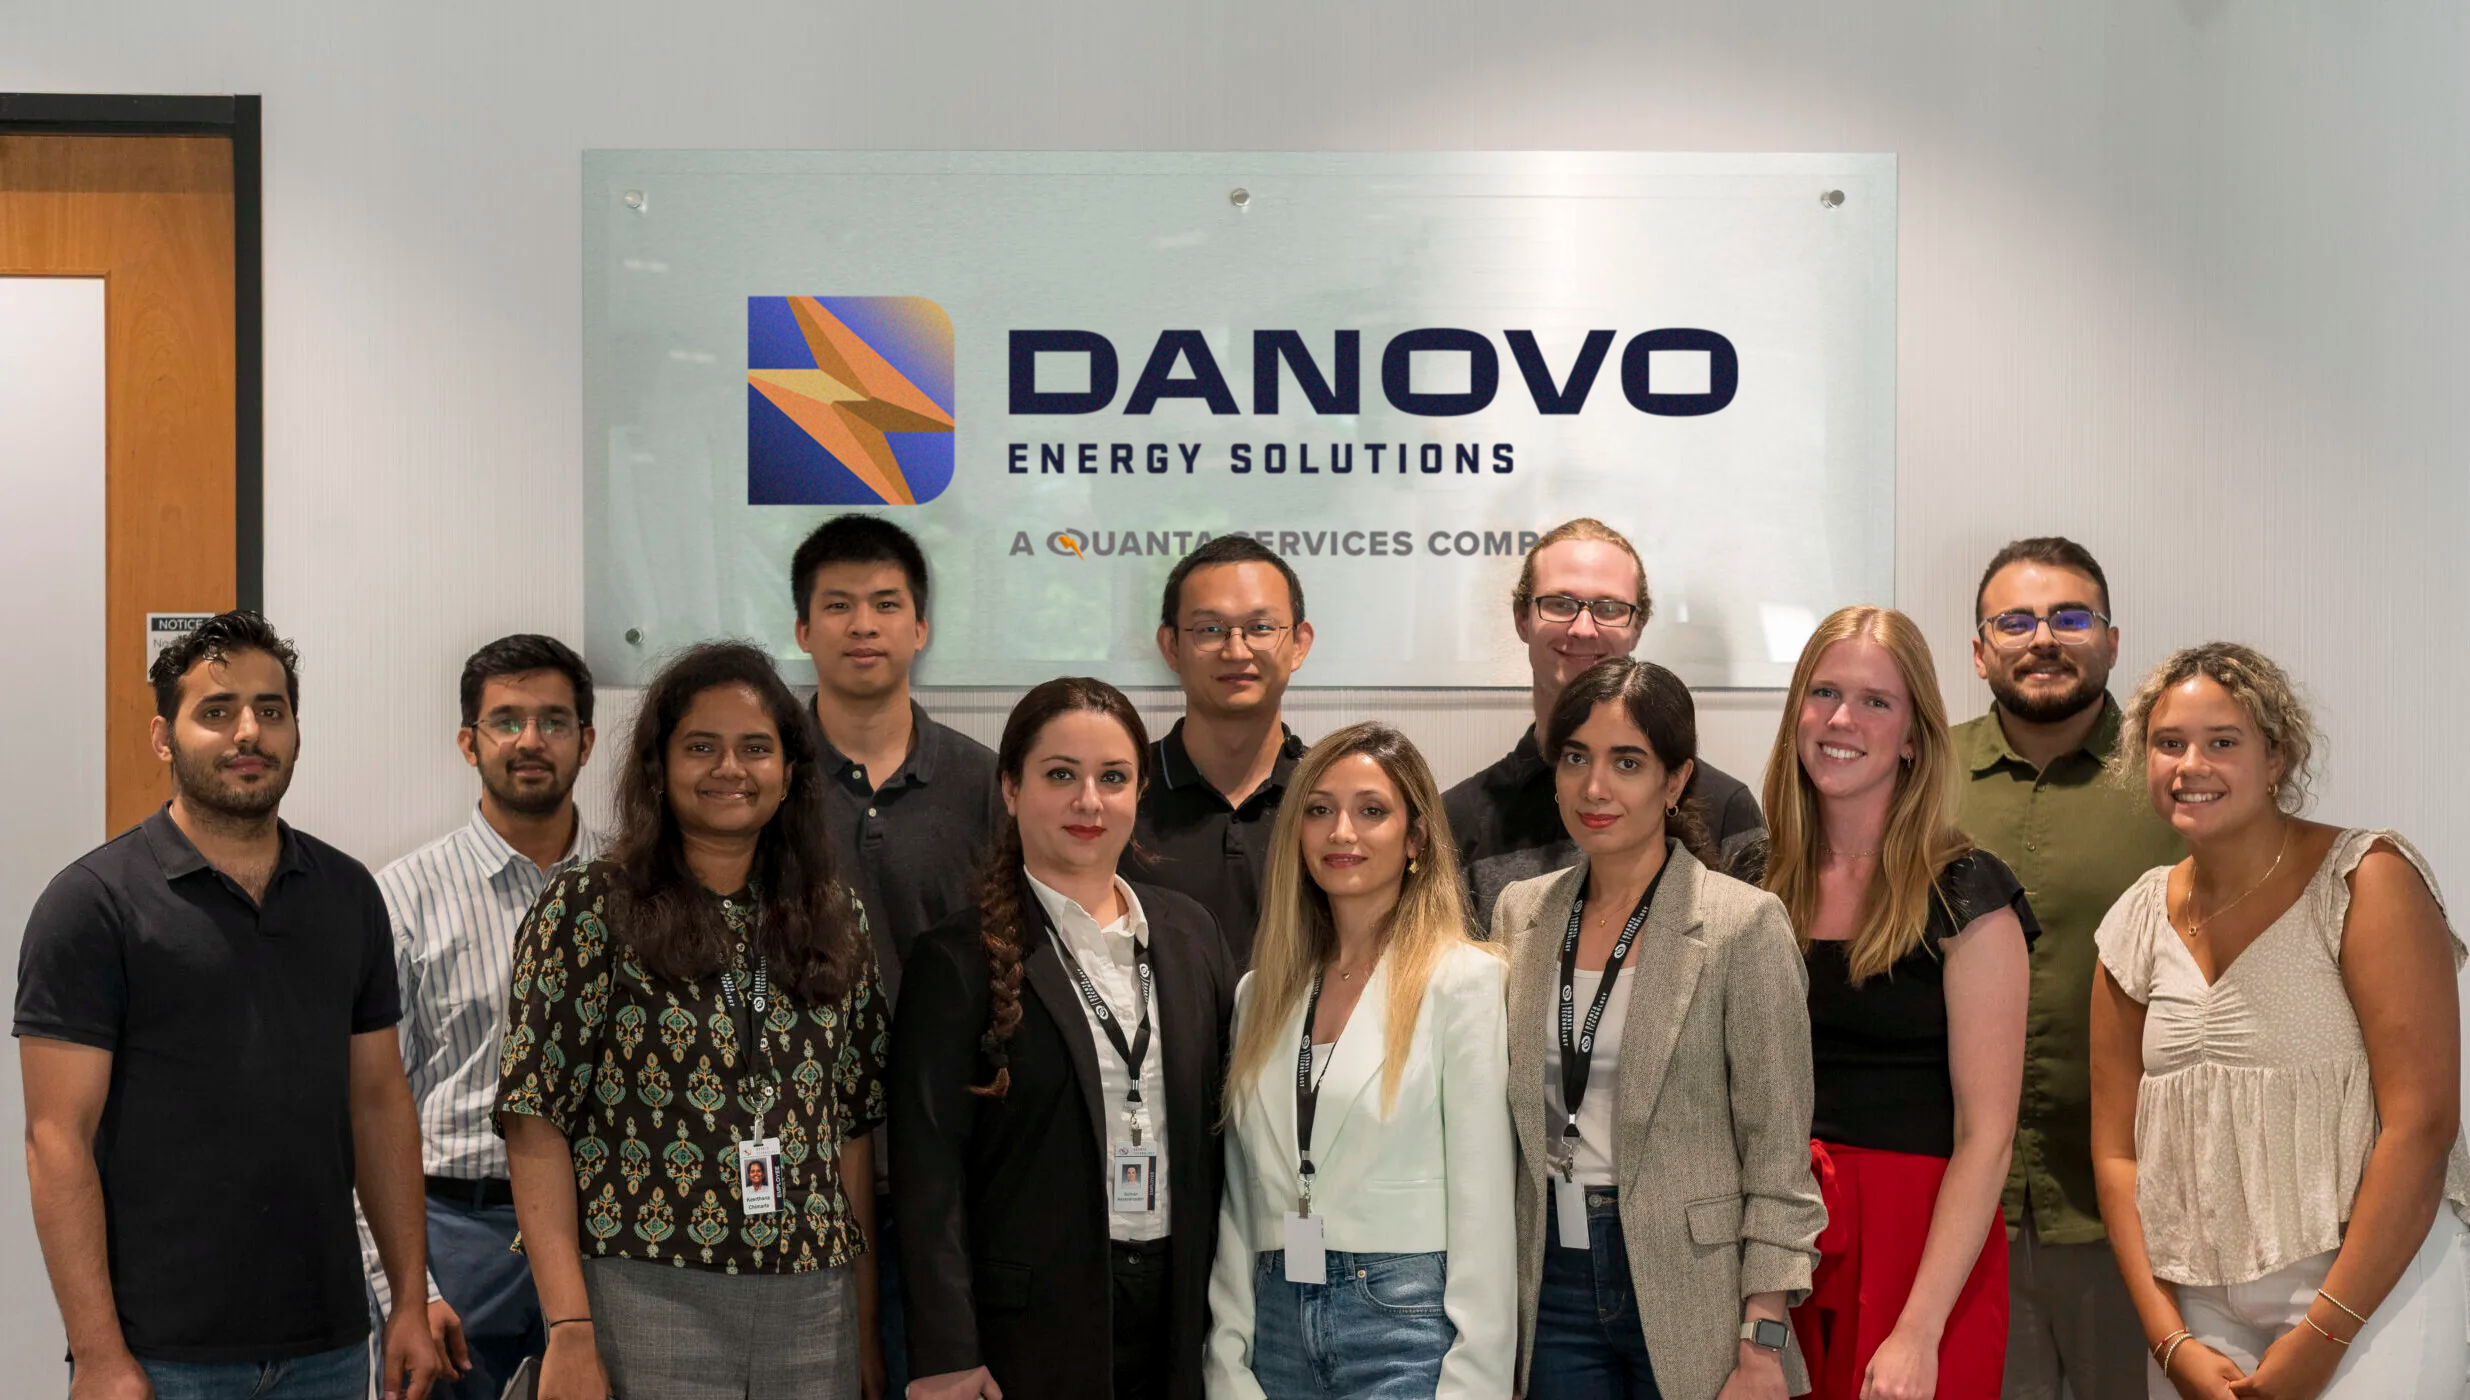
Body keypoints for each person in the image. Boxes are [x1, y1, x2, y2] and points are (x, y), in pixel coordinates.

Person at [16, 610, 446, 1400]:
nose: (249, 731)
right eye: (216, 711)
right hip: (160, 1354)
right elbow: (56, 1141)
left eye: (271, 710)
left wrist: (410, 1306)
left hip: (331, 1341)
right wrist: (101, 1356)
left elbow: (381, 1102)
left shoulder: (349, 894)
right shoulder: (92, 904)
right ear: (163, 737)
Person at [493, 641, 889, 1400]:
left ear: (791, 772)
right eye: (701, 747)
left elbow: (851, 1128)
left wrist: (864, 1327)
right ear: (658, 766)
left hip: (814, 1303)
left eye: (755, 749)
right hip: (642, 1289)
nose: (729, 769)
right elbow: (534, 1117)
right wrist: (568, 1331)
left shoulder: (837, 918)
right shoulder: (589, 905)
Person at [2090, 643, 2470, 1399]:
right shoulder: (2134, 918)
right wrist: (2168, 1341)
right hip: (2197, 1299)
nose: (2191, 764)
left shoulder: (2366, 879)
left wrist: (2325, 1334)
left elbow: (2422, 1127)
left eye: (2222, 742)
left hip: (2369, 1283)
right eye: (2169, 744)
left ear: (2278, 756)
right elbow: (2115, 1152)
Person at [891, 677, 1236, 1400]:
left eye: (1113, 778)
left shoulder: (1190, 934)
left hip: (1183, 1312)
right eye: (1060, 776)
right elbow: (929, 1170)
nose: (1089, 801)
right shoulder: (956, 958)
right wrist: (947, 1351)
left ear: (1139, 792)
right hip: (1027, 1330)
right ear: (1011, 789)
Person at [1492, 659, 1824, 1400]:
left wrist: (1762, 1340)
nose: (1595, 787)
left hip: (1693, 1288)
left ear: (1675, 782)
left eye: (1627, 762)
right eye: (1575, 758)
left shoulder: (1743, 925)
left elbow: (1778, 1156)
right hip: (1549, 1277)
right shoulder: (1522, 913)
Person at [1747, 606, 2034, 1400]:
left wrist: (1918, 1329)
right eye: (1824, 692)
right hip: (1778, 1244)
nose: (1842, 719)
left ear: (1914, 736)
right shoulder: (1747, 880)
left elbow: (1988, 1137)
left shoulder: (1969, 894)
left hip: (1921, 1255)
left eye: (1876, 701)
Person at [1206, 722, 1514, 1400]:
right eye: (1318, 810)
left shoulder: (1463, 982)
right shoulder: (1260, 994)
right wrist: (1227, 1355)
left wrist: (1474, 1385)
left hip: (1403, 1324)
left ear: (1416, 838)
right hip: (1276, 1320)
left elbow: (1485, 1207)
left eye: (1371, 811)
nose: (1340, 831)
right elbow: (1240, 1196)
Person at [1952, 538, 2184, 1400]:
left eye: (2070, 617)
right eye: (2015, 621)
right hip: (1964, 1218)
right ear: (1980, 651)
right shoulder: (1918, 776)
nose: (2043, 637)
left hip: (2139, 1217)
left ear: (2113, 642)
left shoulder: (2177, 775)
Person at [352, 634, 601, 1400]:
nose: (531, 741)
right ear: (469, 742)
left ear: (587, 742)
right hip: (458, 1236)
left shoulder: (635, 891)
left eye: (554, 721)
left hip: (607, 1238)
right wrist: (407, 1289)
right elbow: (363, 1109)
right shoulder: (402, 899)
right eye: (507, 721)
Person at [792, 514, 1002, 1398]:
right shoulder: (759, 782)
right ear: (802, 631)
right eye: (837, 606)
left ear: (922, 627)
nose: (863, 625)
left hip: (949, 1188)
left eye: (886, 604)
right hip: (793, 1183)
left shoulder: (989, 784)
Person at [1444, 519, 1763, 932]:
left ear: (1638, 626)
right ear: (1522, 618)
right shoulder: (1459, 822)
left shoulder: (1725, 809)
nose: (1582, 628)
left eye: (1609, 609)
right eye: (1559, 603)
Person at [1132, 535, 1317, 963]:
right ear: (1171, 646)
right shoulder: (1117, 798)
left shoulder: (1332, 800)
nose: (1236, 651)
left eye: (1261, 628)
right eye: (1210, 630)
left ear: (1299, 644)